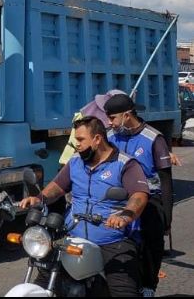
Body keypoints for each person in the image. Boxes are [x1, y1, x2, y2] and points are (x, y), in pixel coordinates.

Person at [20, 115, 149, 297]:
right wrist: (39, 198)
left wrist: (126, 215)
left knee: (123, 291)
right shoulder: (75, 162)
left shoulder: (125, 164)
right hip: (72, 236)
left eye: (81, 140)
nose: (77, 144)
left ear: (97, 139)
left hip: (112, 239)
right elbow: (58, 186)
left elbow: (139, 195)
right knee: (43, 280)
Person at [103, 93, 173, 298]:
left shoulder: (153, 138)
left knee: (151, 242)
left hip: (149, 201)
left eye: (113, 118)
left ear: (127, 115)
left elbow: (165, 180)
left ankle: (149, 285)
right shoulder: (109, 137)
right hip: (118, 199)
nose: (110, 123)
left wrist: (167, 217)